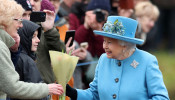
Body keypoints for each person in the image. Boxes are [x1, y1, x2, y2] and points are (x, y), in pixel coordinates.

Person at [66, 16, 170, 100]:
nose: (104, 46)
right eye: (104, 41)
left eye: (109, 42)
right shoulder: (104, 59)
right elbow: (94, 94)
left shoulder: (147, 61)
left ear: (124, 44)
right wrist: (73, 92)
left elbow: (162, 97)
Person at [0, 0, 63, 99]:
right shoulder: (1, 46)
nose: (22, 25)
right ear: (6, 20)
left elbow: (61, 54)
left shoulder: (6, 44)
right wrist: (46, 89)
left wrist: (15, 53)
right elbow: (12, 87)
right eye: (19, 20)